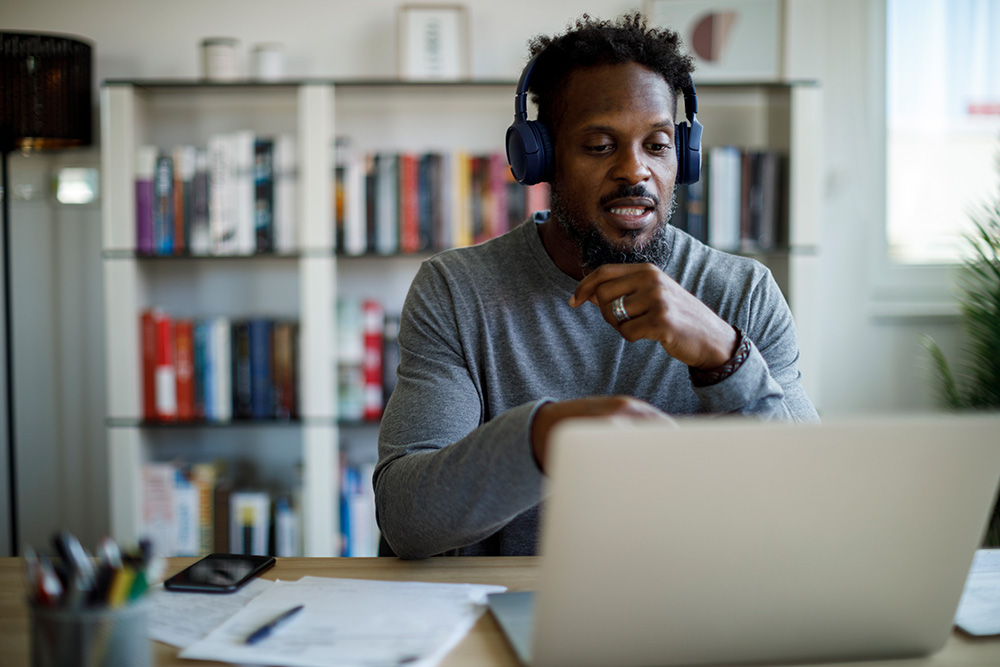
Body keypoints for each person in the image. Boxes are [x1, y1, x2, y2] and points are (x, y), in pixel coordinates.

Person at [373, 13, 819, 559]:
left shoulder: (743, 291)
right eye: (600, 146)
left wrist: (725, 356)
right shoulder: (457, 292)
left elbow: (809, 504)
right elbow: (406, 522)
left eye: (656, 145)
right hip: (513, 612)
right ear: (540, 158)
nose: (635, 172)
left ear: (685, 155)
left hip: (700, 609)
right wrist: (543, 437)